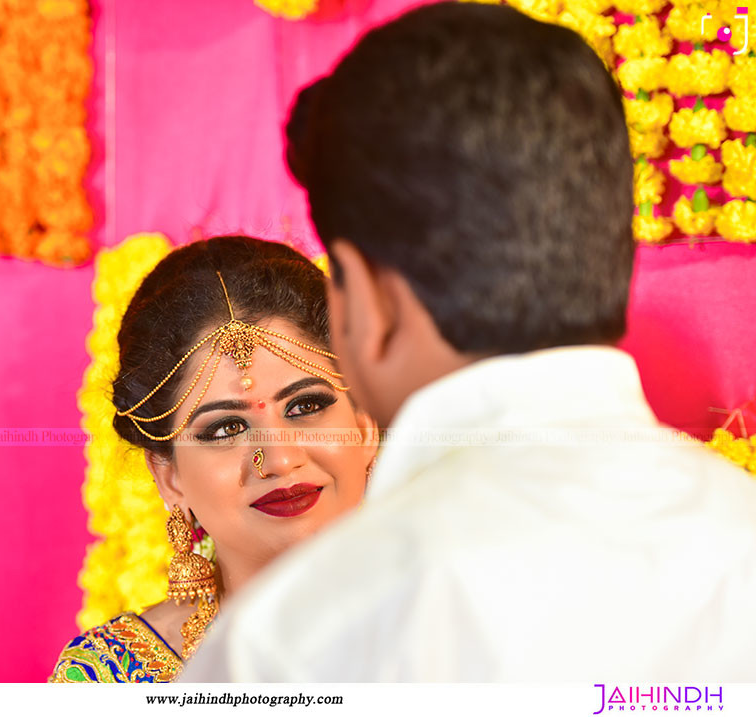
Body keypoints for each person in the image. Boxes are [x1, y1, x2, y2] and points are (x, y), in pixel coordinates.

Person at [182, 3, 756, 681]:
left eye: (305, 404)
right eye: (223, 426)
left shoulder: (305, 637)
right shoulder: (738, 533)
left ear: (369, 300)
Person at [48, 235, 378, 682]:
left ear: (364, 424)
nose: (279, 460)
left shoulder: (470, 628)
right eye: (226, 429)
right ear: (169, 477)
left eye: (305, 406)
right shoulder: (109, 679)